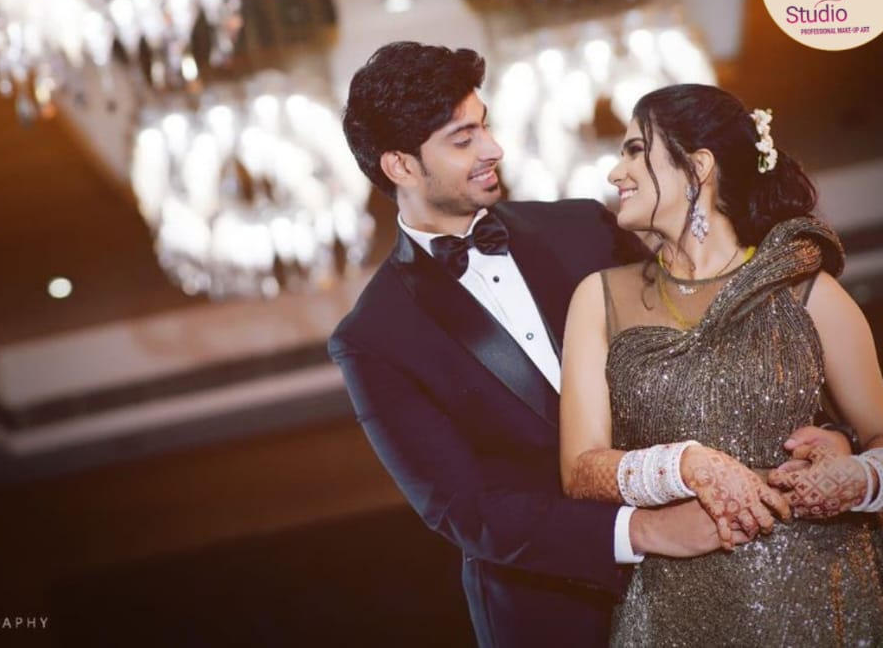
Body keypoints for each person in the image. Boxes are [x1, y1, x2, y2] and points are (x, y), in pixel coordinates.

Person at [328, 43, 841, 647]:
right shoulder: (373, 336)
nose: (493, 149)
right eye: (463, 140)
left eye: (485, 125)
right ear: (400, 167)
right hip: (555, 609)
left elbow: (712, 347)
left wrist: (828, 432)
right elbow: (464, 510)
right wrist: (645, 531)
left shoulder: (583, 226)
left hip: (722, 561)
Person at [559, 83, 883, 646]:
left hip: (826, 596)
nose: (616, 173)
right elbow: (580, 470)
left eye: (635, 150)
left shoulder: (806, 290)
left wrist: (856, 477)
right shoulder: (599, 298)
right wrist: (686, 465)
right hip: (678, 612)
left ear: (698, 166)